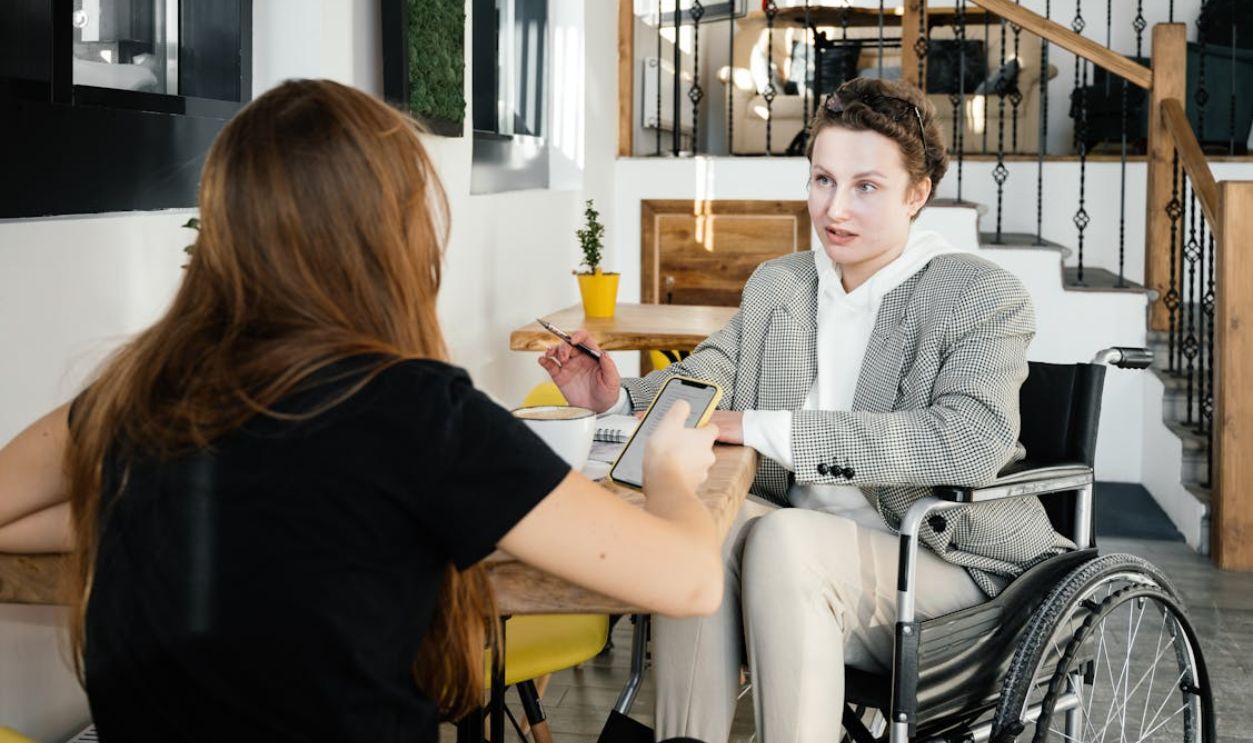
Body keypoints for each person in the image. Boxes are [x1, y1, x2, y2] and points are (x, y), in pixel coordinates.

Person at [0, 79, 727, 743]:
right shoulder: (418, 413)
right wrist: (666, 472)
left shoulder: (134, 390)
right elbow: (691, 580)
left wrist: (156, 504)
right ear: (392, 235)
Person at [540, 77, 1071, 741]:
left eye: (865, 186)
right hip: (794, 553)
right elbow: (711, 372)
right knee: (697, 534)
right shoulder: (781, 283)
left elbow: (968, 442)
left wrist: (761, 428)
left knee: (781, 539)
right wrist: (615, 397)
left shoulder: (979, 294)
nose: (834, 208)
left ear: (916, 193)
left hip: (943, 561)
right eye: (822, 179)